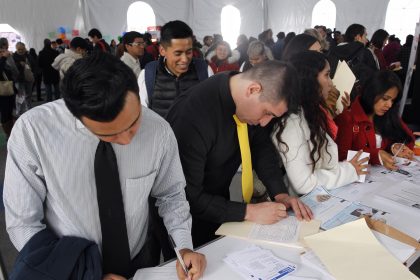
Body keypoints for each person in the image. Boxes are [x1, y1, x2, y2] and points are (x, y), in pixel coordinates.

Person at [3, 52, 206, 279]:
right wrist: (83, 274)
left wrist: (184, 247)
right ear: (77, 116)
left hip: (139, 261)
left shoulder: (158, 130)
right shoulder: (33, 132)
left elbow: (171, 196)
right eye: (110, 134)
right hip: (70, 269)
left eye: (134, 122)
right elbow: (23, 223)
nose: (128, 139)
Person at [166, 60, 313, 247]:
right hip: (182, 222)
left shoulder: (244, 101)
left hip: (218, 206)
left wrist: (280, 193)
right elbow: (186, 195)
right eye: (267, 112)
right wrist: (249, 212)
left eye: (273, 117)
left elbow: (261, 147)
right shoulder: (193, 115)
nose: (264, 123)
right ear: (253, 90)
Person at [272, 51, 367, 195]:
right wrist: (348, 171)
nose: (331, 82)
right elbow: (303, 184)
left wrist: (347, 169)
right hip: (304, 203)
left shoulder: (310, 112)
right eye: (327, 75)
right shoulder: (292, 123)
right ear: (310, 79)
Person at [335, 70, 415, 170]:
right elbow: (340, 157)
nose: (389, 105)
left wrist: (394, 146)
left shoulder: (388, 114)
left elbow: (408, 138)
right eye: (385, 98)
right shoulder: (347, 119)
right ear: (371, 93)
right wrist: (375, 155)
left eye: (393, 100)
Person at [138, 20, 212, 117]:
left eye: (189, 52)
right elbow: (143, 115)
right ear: (162, 50)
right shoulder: (148, 75)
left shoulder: (204, 70)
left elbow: (212, 108)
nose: (185, 59)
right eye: (178, 53)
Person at [0, 37, 18, 140]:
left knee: (10, 112)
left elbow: (13, 71)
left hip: (9, 87)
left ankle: (11, 133)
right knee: (5, 113)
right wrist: (3, 58)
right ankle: (8, 135)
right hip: (2, 91)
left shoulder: (8, 55)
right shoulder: (4, 57)